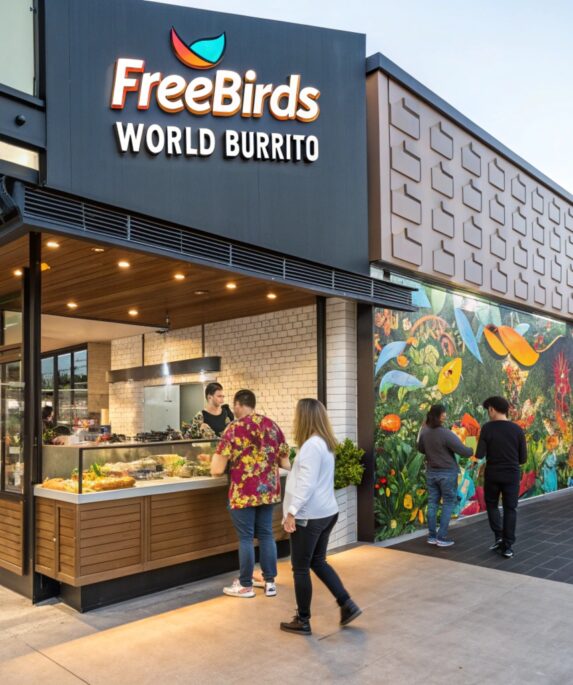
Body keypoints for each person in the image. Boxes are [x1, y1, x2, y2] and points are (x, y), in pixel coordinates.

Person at [280, 398, 361, 636]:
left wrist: (292, 512)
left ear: (304, 417)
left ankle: (303, 620)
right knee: (318, 561)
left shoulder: (311, 447)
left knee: (300, 568)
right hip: (326, 512)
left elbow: (305, 484)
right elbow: (308, 477)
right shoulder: (324, 444)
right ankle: (346, 604)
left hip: (309, 516)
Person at [210, 389, 290, 598]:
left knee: (245, 538)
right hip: (268, 492)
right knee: (266, 534)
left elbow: (217, 469)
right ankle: (270, 583)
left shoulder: (234, 429)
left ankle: (245, 585)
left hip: (244, 492)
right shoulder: (272, 426)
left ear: (238, 405)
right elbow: (285, 461)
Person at [476, 396, 527, 559]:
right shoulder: (517, 430)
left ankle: (498, 537)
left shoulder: (487, 428)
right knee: (510, 508)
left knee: (491, 505)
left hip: (493, 475)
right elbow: (523, 459)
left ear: (492, 409)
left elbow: (480, 454)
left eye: (488, 409)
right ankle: (508, 546)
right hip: (511, 475)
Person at [417, 404, 473, 547]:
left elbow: (421, 449)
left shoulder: (424, 431)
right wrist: (472, 449)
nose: (445, 415)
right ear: (439, 415)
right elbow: (463, 451)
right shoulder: (445, 433)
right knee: (448, 503)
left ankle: (431, 536)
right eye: (444, 413)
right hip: (447, 473)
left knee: (432, 503)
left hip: (431, 473)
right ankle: (441, 537)